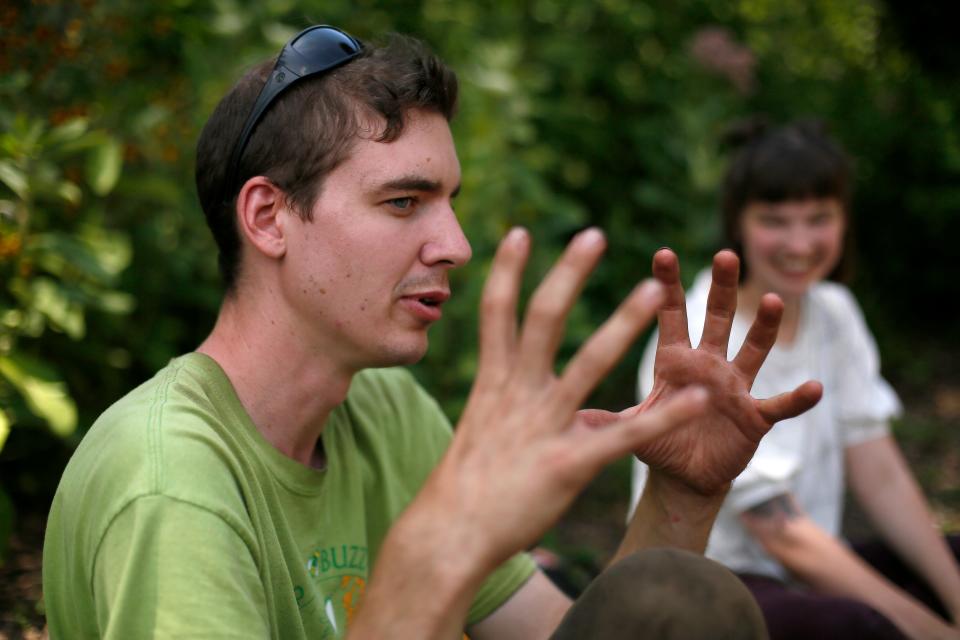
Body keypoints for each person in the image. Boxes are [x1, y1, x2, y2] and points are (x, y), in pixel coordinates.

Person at [42, 26, 821, 639]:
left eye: (449, 200)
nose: (455, 244)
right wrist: (428, 559)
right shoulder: (172, 485)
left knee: (682, 604)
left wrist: (682, 497)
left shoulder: (388, 412)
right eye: (404, 202)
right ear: (269, 217)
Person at [630, 119, 960, 639]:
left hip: (799, 573)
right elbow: (780, 533)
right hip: (708, 585)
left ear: (844, 219)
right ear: (738, 222)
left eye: (818, 218)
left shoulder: (835, 312)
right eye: (775, 220)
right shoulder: (697, 345)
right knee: (857, 624)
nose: (799, 243)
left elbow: (882, 471)